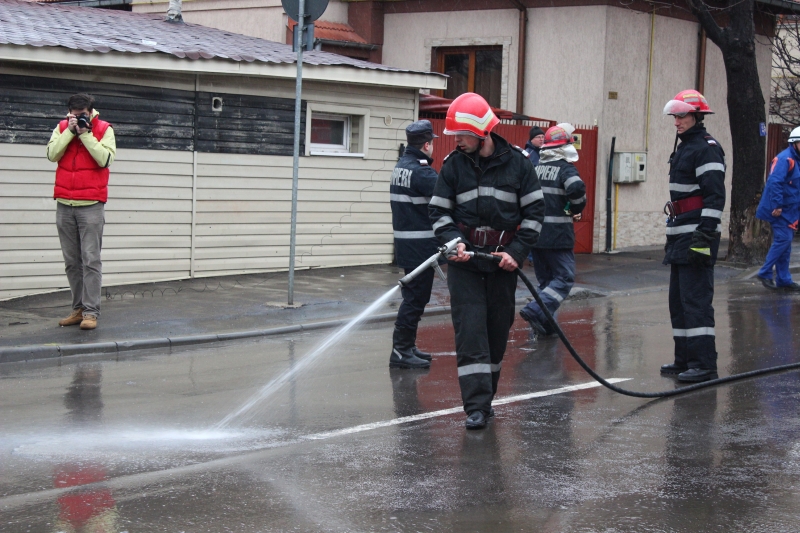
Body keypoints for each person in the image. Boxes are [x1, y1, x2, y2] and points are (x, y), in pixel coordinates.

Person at [429, 92, 544, 429]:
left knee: (496, 331)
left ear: (482, 132)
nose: (457, 140)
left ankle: (486, 397)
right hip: (464, 263)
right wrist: (455, 243)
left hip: (501, 263)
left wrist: (517, 253)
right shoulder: (452, 165)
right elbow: (438, 212)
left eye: (462, 135)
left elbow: (536, 213)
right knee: (471, 333)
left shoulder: (520, 165)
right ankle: (475, 407)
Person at [660, 90, 726, 383]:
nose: (677, 121)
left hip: (698, 236)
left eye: (682, 115)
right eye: (675, 116)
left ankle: (704, 364)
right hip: (680, 235)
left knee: (696, 300)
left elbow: (714, 196)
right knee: (679, 301)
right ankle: (684, 359)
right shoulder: (685, 147)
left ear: (697, 116)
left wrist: (705, 233)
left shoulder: (706, 148)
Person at [46, 94, 116, 330]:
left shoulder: (104, 129)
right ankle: (77, 309)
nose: (79, 118)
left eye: (83, 114)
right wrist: (70, 132)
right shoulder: (62, 127)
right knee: (71, 262)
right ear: (69, 113)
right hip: (65, 203)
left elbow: (105, 159)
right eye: (75, 115)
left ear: (91, 111)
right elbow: (51, 154)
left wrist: (85, 134)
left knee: (91, 260)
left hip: (91, 205)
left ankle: (91, 313)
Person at [519, 124, 586, 339]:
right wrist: (575, 207)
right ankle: (536, 311)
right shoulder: (565, 168)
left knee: (546, 283)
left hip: (536, 236)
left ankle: (546, 326)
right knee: (564, 278)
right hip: (558, 237)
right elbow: (576, 189)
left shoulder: (535, 168)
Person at [389, 120, 441, 369]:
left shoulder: (402, 166)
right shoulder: (422, 171)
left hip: (407, 245)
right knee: (415, 300)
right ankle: (401, 351)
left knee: (414, 298)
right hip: (420, 247)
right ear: (427, 145)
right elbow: (446, 198)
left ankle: (406, 347)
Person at [755, 127, 800, 291]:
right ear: (794, 144)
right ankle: (765, 272)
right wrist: (777, 205)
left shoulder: (795, 160)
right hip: (779, 210)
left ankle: (784, 279)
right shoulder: (785, 159)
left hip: (789, 211)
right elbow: (775, 183)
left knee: (786, 244)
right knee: (784, 240)